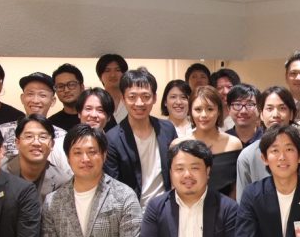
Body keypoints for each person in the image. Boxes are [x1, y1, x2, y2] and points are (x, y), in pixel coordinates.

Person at [105, 67, 178, 207]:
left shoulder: (167, 129)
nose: (139, 103)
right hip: (131, 210)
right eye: (132, 97)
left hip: (167, 206)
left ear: (154, 98)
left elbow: (175, 167)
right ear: (123, 99)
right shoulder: (112, 138)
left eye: (146, 96)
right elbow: (113, 184)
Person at [235, 86, 300, 198]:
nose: (275, 114)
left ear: (292, 114)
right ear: (261, 115)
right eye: (269, 109)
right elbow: (243, 202)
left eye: (282, 108)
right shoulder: (247, 156)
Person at [0, 72, 68, 170]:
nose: (35, 100)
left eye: (42, 95)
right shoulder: (1, 132)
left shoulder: (62, 137)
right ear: (22, 98)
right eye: (30, 94)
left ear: (53, 101)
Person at [190, 85, 242, 197]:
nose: (204, 115)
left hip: (226, 206)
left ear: (219, 111)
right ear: (190, 111)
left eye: (210, 109)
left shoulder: (233, 144)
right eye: (198, 109)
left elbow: (236, 187)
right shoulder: (179, 144)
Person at [5, 115, 70, 199]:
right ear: (17, 143)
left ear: (52, 144)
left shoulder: (62, 182)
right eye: (29, 136)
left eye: (43, 137)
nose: (36, 143)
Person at [48, 63, 85, 132]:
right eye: (60, 86)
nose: (66, 90)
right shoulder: (51, 124)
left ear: (82, 87)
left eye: (71, 85)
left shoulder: (94, 117)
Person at [96, 53, 129, 124]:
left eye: (117, 70)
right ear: (100, 77)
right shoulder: (95, 101)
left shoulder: (132, 101)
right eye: (107, 70)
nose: (113, 75)